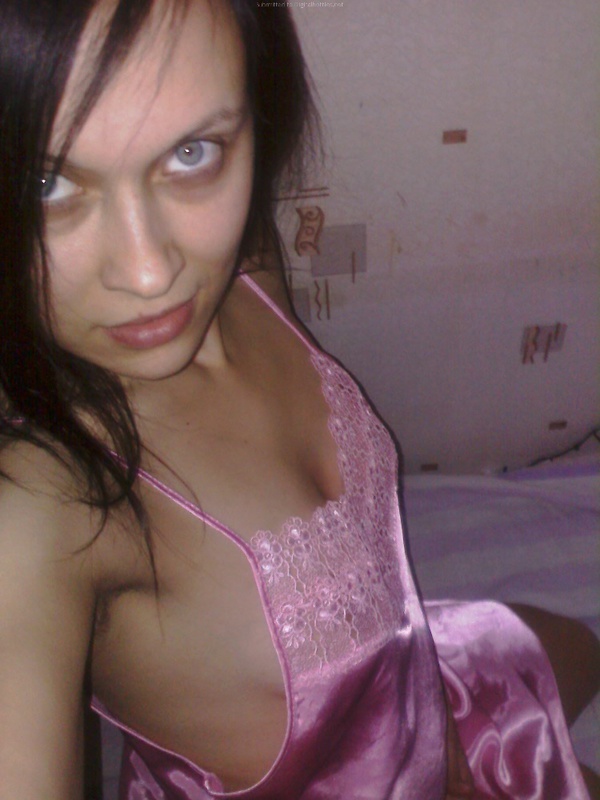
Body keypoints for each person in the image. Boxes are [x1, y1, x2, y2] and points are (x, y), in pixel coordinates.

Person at [0, 1, 598, 798]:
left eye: (190, 152)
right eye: (47, 183)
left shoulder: (244, 256)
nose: (149, 273)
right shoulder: (42, 505)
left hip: (416, 683)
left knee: (579, 644)